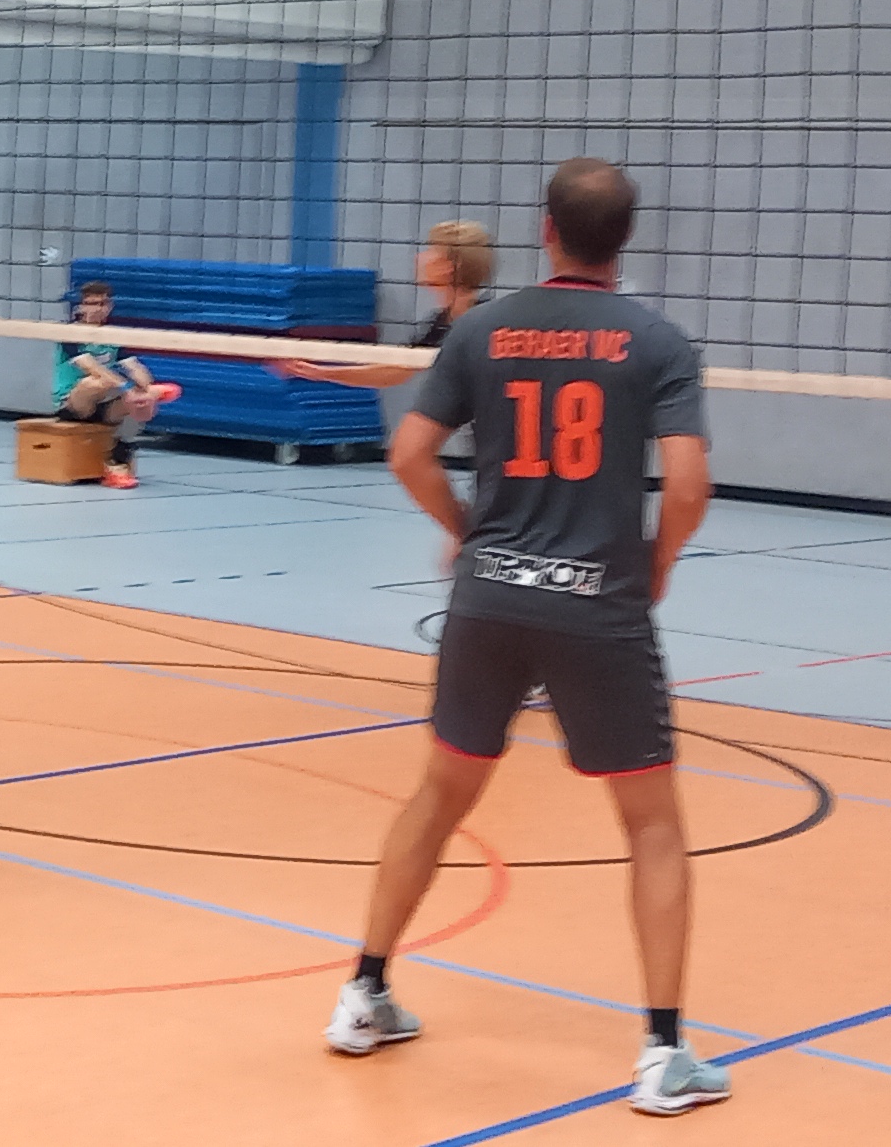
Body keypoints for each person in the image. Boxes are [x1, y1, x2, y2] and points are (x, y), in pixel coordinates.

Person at [329, 158, 727, 1118]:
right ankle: (663, 1054)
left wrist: (470, 534)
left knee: (438, 795)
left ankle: (363, 994)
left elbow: (408, 454)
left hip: (489, 603)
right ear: (624, 238)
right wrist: (658, 563)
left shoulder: (482, 328)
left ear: (545, 230)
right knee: (653, 826)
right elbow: (688, 486)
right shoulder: (659, 342)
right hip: (598, 607)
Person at [279, 220, 495, 390]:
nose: (419, 257)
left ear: (449, 266)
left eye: (431, 250)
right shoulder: (441, 324)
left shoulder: (487, 321)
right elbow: (396, 371)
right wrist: (320, 373)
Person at [50, 281, 173, 489]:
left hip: (104, 406)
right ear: (81, 307)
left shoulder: (112, 335)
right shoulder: (70, 333)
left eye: (102, 304)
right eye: (91, 304)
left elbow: (134, 367)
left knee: (145, 398)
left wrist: (147, 388)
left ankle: (119, 456)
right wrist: (126, 388)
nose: (97, 309)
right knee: (95, 382)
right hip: (75, 403)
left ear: (110, 306)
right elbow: (90, 367)